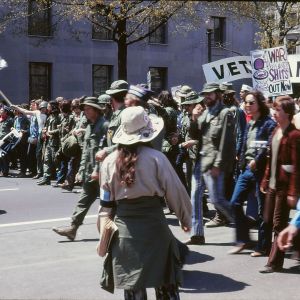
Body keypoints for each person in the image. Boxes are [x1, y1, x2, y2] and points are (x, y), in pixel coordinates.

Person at [98, 106, 192, 299]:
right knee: (166, 285)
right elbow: (176, 192)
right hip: (155, 231)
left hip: (124, 236)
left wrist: (103, 235)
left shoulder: (108, 162)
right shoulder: (157, 159)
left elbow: (105, 206)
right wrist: (185, 219)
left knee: (133, 290)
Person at [52, 97, 108, 240]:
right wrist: (81, 170)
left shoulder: (105, 126)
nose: (85, 111)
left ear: (96, 110)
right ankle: (73, 228)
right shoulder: (89, 127)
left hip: (104, 173)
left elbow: (108, 149)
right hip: (90, 173)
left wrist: (98, 169)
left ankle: (123, 228)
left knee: (113, 203)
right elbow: (86, 151)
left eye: (88, 109)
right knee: (83, 200)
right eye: (85, 109)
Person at [229, 91, 276, 255]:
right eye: (246, 102)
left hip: (262, 171)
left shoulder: (268, 123)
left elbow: (269, 146)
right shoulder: (249, 123)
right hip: (247, 170)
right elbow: (243, 141)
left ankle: (263, 246)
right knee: (234, 202)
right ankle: (243, 239)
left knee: (263, 210)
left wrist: (258, 159)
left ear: (259, 104)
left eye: (251, 103)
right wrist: (240, 155)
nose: (247, 106)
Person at [259, 95, 300, 273]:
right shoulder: (275, 131)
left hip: (285, 187)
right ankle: (295, 241)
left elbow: (297, 166)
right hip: (272, 185)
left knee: (278, 223)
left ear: (288, 113)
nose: (274, 113)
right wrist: (265, 179)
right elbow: (270, 160)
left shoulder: (295, 135)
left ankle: (274, 262)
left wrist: (293, 191)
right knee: (267, 219)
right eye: (274, 109)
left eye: (278, 110)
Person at [190, 82, 236, 227]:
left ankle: (241, 225)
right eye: (205, 94)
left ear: (218, 94)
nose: (207, 97)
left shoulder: (225, 113)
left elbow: (226, 142)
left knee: (217, 200)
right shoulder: (204, 113)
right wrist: (194, 119)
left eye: (210, 94)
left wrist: (218, 165)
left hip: (213, 163)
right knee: (195, 196)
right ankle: (196, 234)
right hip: (201, 161)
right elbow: (195, 135)